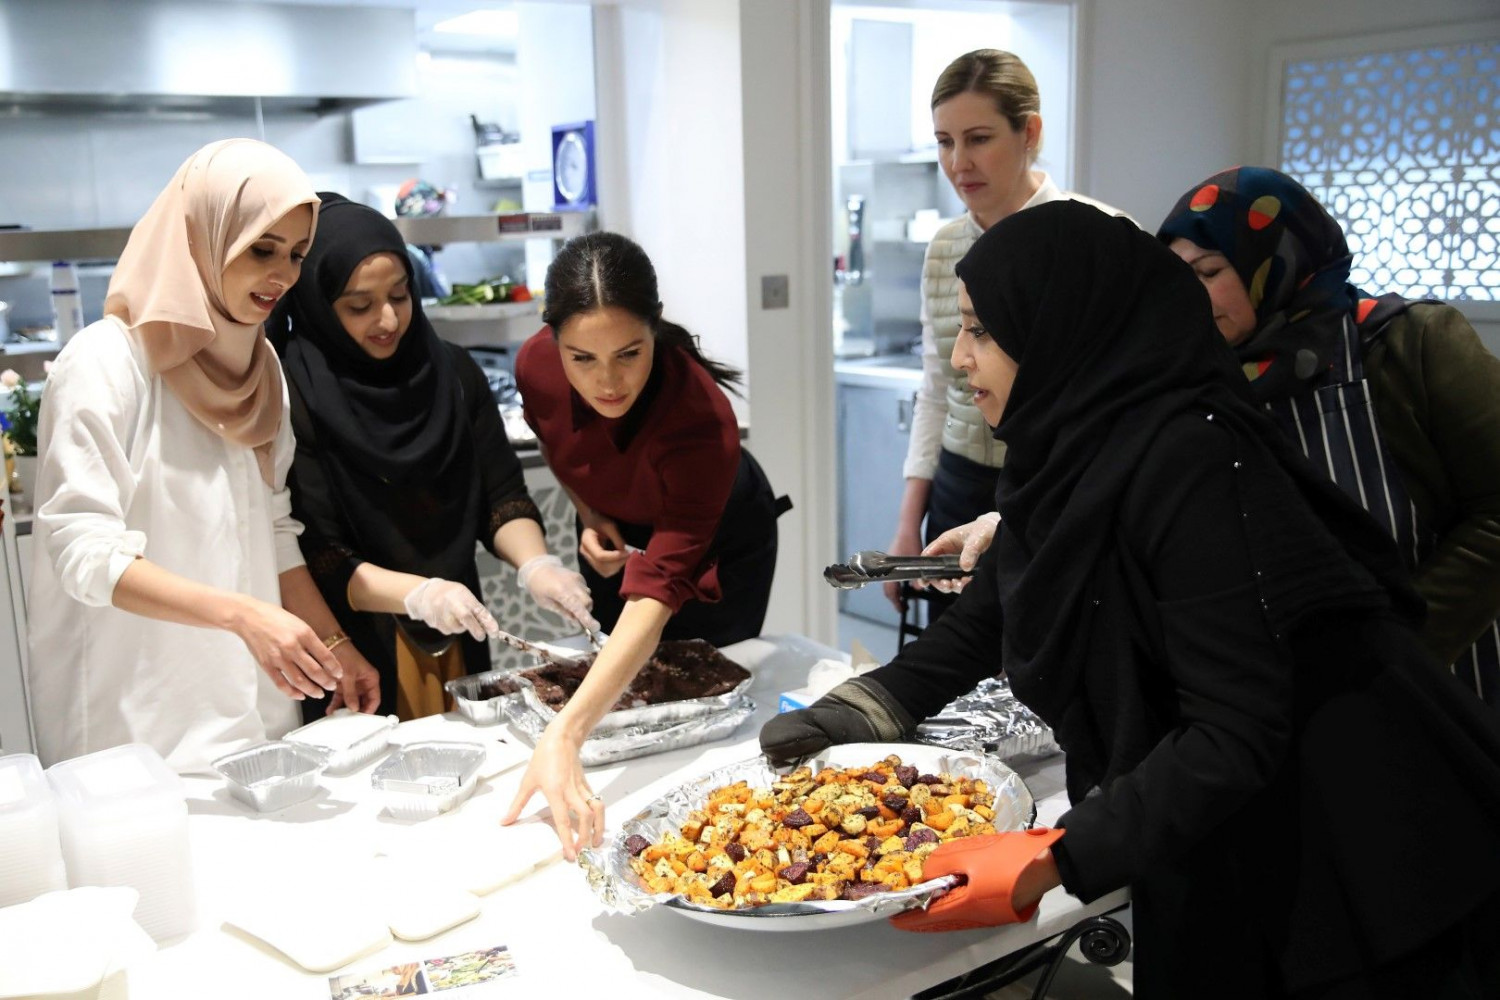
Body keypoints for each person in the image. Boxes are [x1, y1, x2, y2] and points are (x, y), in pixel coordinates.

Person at [762, 202, 1500, 998]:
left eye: (983, 330)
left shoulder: (1188, 459)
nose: (960, 355)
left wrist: (1056, 855)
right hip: (1240, 814)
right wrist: (868, 705)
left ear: (1061, 326)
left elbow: (1235, 728)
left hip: (1358, 832)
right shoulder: (1070, 444)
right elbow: (998, 605)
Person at [28, 139, 381, 774]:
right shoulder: (108, 363)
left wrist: (333, 644)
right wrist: (242, 614)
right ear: (201, 237)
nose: (282, 276)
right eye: (261, 250)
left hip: (250, 712)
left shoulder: (260, 366)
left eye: (297, 255)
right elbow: (83, 553)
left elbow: (271, 529)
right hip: (133, 725)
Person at [1158, 166, 1500, 708]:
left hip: (1447, 670)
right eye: (1177, 277)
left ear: (1278, 262)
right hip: (1300, 692)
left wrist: (1399, 649)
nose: (1189, 296)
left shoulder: (1410, 344)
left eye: (1209, 271)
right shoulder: (1202, 379)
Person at [503, 231, 786, 857]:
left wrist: (565, 733)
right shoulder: (535, 367)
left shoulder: (700, 421)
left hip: (721, 539)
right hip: (625, 527)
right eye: (583, 359)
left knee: (703, 694)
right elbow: (557, 442)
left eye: (629, 354)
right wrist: (590, 512)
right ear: (553, 341)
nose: (607, 382)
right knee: (629, 684)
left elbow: (656, 596)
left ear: (656, 329)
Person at [268, 194, 596, 721]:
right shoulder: (292, 394)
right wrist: (419, 594)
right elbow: (318, 553)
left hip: (456, 628)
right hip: (353, 643)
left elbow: (502, 498)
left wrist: (536, 564)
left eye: (401, 295)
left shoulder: (453, 374)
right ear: (316, 303)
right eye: (359, 305)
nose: (388, 319)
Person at [884, 48, 1124, 623]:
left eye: (979, 137)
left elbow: (1119, 400)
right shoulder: (945, 247)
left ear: (1030, 132)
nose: (959, 161)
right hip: (960, 483)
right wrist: (907, 521)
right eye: (945, 141)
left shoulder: (1099, 236)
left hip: (1063, 487)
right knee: (952, 676)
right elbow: (937, 389)